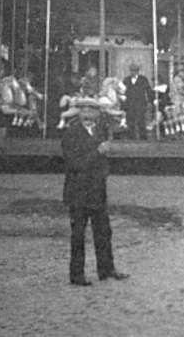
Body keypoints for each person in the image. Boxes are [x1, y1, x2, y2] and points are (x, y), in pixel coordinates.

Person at [61, 98, 128, 286]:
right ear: (79, 112)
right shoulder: (71, 133)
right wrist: (97, 152)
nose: (88, 113)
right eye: (84, 109)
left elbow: (104, 161)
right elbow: (73, 163)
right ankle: (77, 275)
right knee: (78, 235)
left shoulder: (100, 131)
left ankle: (106, 269)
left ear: (98, 113)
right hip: (78, 192)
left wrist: (103, 171)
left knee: (104, 232)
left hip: (97, 191)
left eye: (92, 109)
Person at [121, 63, 151, 140]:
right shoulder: (126, 80)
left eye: (134, 71)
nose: (133, 72)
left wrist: (150, 101)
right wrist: (124, 103)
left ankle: (143, 137)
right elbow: (123, 92)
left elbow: (148, 91)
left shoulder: (143, 79)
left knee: (141, 120)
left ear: (138, 71)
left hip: (140, 103)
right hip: (130, 103)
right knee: (130, 121)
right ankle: (131, 137)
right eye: (131, 71)